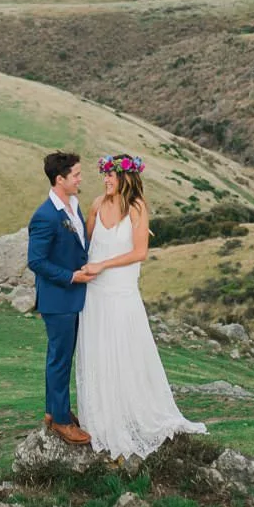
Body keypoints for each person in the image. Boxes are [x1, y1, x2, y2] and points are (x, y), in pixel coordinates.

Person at [76, 153, 206, 459]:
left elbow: (139, 252)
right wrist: (85, 269)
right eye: (104, 174)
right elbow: (87, 245)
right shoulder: (96, 205)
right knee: (98, 353)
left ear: (125, 178)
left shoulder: (136, 208)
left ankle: (132, 415)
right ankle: (101, 420)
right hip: (95, 294)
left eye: (110, 175)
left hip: (122, 292)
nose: (106, 180)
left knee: (125, 352)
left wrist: (103, 265)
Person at [26, 151, 93, 445]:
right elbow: (36, 261)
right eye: (76, 175)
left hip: (72, 297)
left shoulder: (73, 206)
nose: (80, 179)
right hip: (58, 299)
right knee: (60, 359)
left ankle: (54, 411)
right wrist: (71, 276)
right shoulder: (45, 216)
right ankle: (62, 422)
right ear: (60, 179)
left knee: (61, 357)